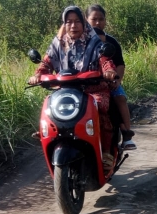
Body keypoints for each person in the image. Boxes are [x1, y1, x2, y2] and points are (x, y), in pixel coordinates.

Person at [29, 6, 118, 170]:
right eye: (69, 22)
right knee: (49, 106)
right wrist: (37, 75)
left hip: (93, 89)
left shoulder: (94, 43)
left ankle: (106, 153)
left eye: (77, 21)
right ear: (64, 24)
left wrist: (109, 71)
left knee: (100, 108)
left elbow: (104, 60)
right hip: (65, 91)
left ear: (84, 24)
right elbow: (46, 63)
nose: (73, 25)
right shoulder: (58, 44)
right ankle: (47, 132)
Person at [85, 4, 136, 151]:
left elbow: (119, 64)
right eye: (94, 19)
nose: (97, 22)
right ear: (86, 20)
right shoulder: (79, 42)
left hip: (108, 82)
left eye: (101, 19)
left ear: (105, 21)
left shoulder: (111, 41)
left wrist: (117, 80)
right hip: (84, 85)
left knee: (119, 98)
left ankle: (126, 134)